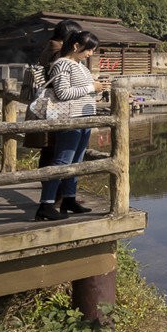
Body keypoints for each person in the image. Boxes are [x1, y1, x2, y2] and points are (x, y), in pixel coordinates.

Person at [34, 31, 100, 221]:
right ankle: (46, 204)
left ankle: (69, 199)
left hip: (84, 119)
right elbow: (62, 93)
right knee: (62, 161)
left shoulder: (80, 65)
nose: (91, 54)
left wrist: (97, 87)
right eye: (89, 49)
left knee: (76, 161)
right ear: (76, 46)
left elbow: (82, 90)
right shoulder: (62, 64)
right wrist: (91, 88)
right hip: (69, 119)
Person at [24, 19, 83, 163]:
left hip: (49, 105)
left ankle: (48, 183)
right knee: (54, 150)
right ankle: (51, 184)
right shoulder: (60, 53)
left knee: (49, 149)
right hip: (55, 106)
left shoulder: (51, 48)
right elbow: (62, 84)